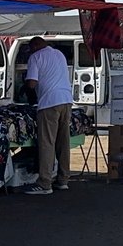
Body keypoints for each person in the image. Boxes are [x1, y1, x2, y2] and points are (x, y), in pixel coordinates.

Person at [23, 36, 73, 195]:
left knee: (47, 142)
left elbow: (32, 83)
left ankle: (45, 183)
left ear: (34, 46)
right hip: (66, 100)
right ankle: (63, 179)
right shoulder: (59, 54)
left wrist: (25, 86)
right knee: (63, 142)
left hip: (49, 102)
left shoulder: (35, 57)